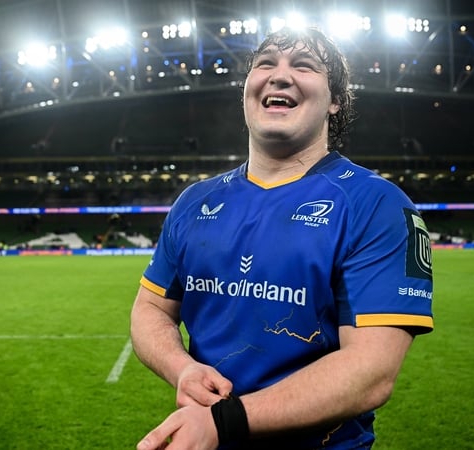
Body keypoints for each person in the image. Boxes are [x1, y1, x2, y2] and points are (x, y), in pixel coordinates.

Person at [130, 26, 434, 450]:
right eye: (265, 63)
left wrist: (226, 421)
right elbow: (150, 307)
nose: (279, 75)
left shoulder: (376, 205)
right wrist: (181, 368)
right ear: (247, 90)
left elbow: (371, 371)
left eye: (304, 66)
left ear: (335, 102)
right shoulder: (195, 201)